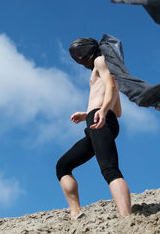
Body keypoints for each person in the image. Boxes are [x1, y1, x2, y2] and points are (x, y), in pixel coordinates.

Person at [56, 37, 132, 220]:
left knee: (110, 169)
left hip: (100, 119)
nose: (79, 62)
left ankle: (126, 217)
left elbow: (111, 87)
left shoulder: (101, 60)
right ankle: (75, 213)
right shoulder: (109, 68)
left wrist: (102, 110)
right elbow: (119, 111)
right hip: (99, 120)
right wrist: (87, 113)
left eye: (78, 57)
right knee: (63, 166)